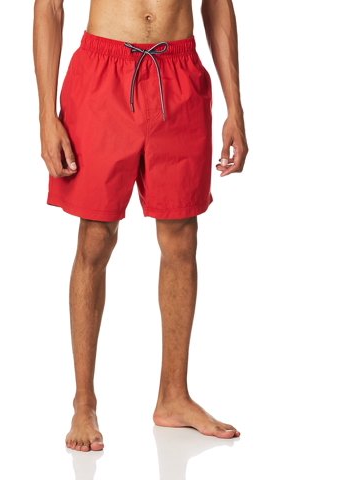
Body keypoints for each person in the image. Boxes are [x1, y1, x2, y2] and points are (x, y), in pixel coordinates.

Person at [33, 0, 248, 452]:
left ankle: (174, 396)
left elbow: (217, 3)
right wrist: (45, 115)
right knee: (96, 237)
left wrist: (236, 107)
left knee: (182, 237)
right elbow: (49, 6)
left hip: (179, 73)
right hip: (102, 73)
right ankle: (84, 403)